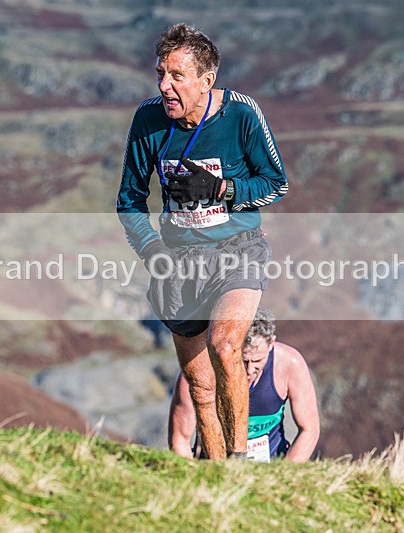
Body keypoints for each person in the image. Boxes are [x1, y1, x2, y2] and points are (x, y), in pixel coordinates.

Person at [117, 23, 288, 459]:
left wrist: (221, 189)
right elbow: (128, 201)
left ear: (206, 80)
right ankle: (216, 475)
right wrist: (152, 250)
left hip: (238, 251)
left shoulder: (241, 114)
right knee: (200, 385)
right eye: (161, 74)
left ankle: (238, 462)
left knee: (226, 345)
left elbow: (276, 183)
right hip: (178, 261)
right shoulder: (149, 119)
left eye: (177, 76)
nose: (164, 86)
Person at [169, 309, 320, 462]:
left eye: (257, 361)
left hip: (272, 465)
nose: (249, 370)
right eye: (242, 361)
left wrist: (285, 472)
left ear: (271, 344)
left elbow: (309, 429)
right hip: (212, 467)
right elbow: (180, 439)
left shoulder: (289, 364)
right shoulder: (200, 373)